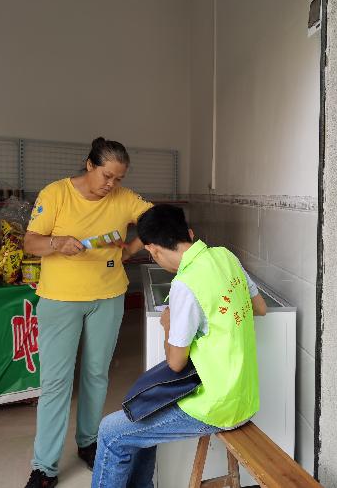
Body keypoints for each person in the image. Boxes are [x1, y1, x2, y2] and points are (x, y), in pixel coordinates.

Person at [91, 204, 267, 488]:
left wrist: (168, 324)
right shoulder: (225, 256)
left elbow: (175, 363)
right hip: (245, 397)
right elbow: (260, 308)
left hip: (216, 405)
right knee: (141, 412)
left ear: (153, 250)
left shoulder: (186, 284)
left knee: (110, 433)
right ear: (190, 234)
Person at [23, 138, 153, 488]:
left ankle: (89, 443)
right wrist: (56, 243)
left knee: (96, 375)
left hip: (108, 297)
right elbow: (30, 241)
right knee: (56, 383)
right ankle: (44, 467)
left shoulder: (124, 199)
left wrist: (130, 249)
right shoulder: (56, 194)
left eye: (118, 178)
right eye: (107, 175)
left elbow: (157, 220)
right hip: (60, 300)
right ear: (89, 165)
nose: (111, 184)